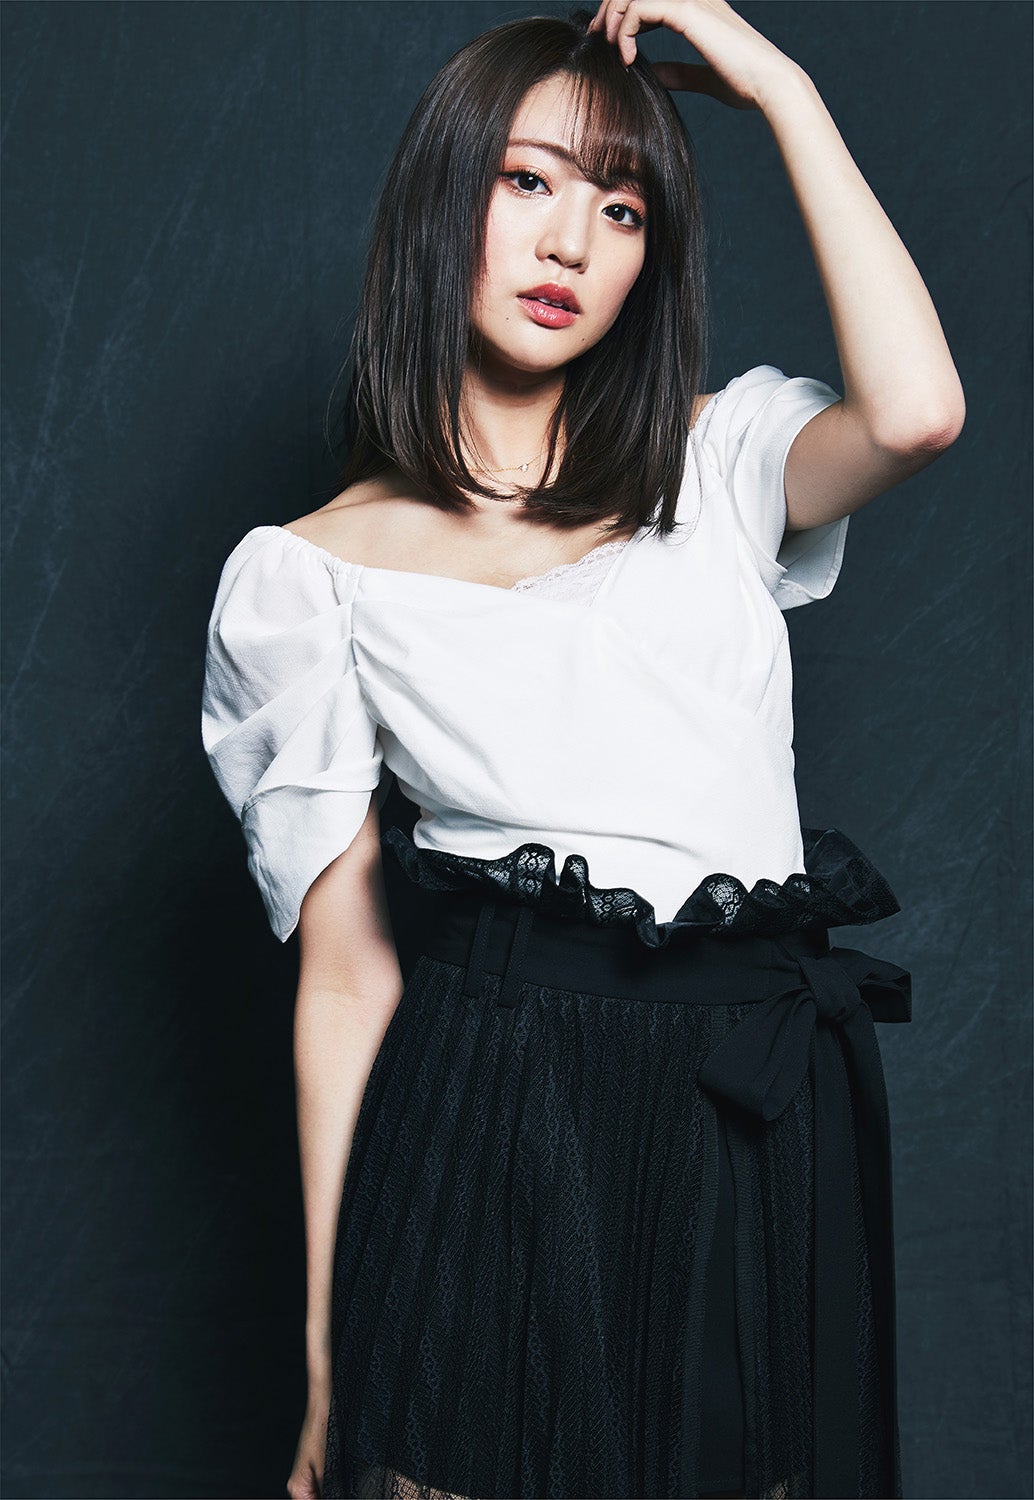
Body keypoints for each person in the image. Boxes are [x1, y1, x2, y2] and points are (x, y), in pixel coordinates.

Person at [201, 4, 964, 1497]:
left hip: (747, 1103)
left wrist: (779, 87)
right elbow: (347, 976)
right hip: (496, 1105)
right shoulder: (308, 578)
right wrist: (327, 1352)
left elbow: (920, 412)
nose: (570, 242)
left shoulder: (721, 464)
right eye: (528, 181)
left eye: (622, 209)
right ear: (445, 196)